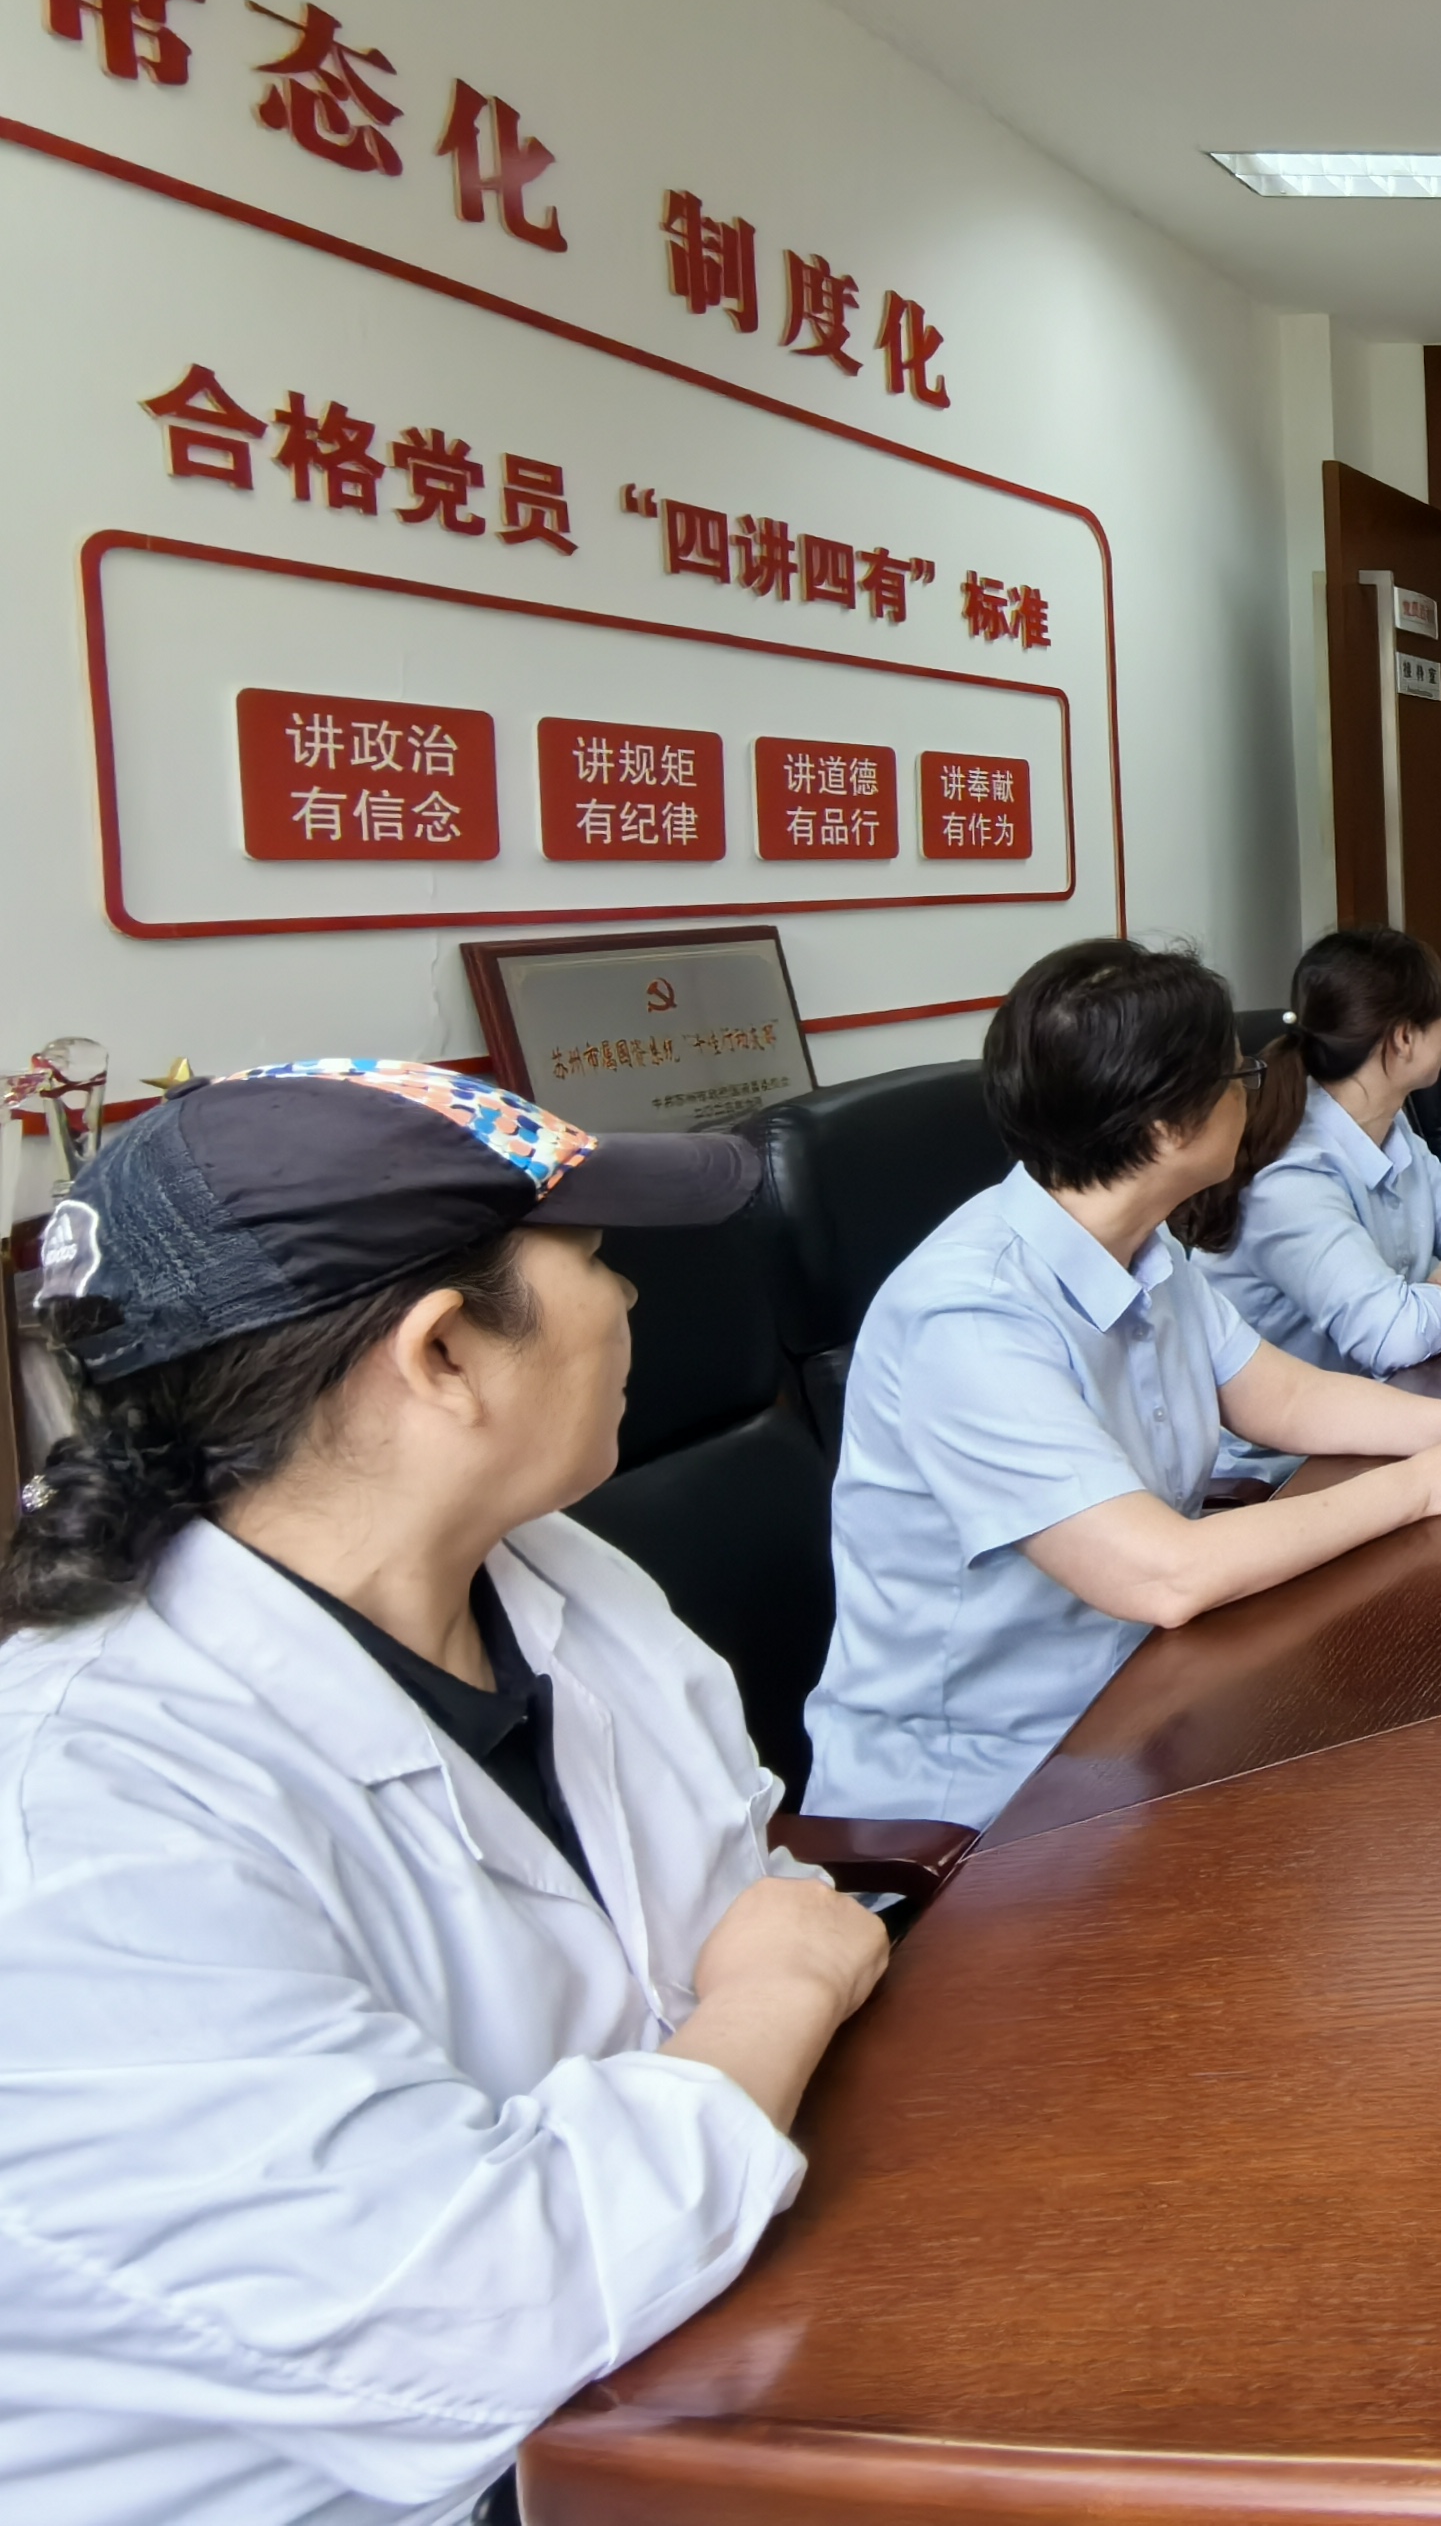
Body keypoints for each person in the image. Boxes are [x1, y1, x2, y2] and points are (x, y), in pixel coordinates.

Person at [0, 1060, 896, 2526]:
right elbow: (486, 2318)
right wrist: (774, 1998)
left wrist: (758, 1993)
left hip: (708, 2354)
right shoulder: (81, 1832)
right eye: (593, 1258)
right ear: (444, 1355)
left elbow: (745, 1881)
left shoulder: (556, 1575)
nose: (629, 1297)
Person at [807, 941, 1441, 1829]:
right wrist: (1426, 1484)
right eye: (1237, 1074)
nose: (1256, 1091)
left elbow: (1283, 1398)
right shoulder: (969, 1317)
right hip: (994, 1801)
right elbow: (1161, 1573)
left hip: (1155, 1703)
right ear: (1168, 1129)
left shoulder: (1143, 1247)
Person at [1185, 925, 1441, 1484]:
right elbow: (1393, 1334)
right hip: (1287, 1469)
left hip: (1391, 1411)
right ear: (1404, 1039)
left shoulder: (1388, 1127)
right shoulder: (1290, 1178)